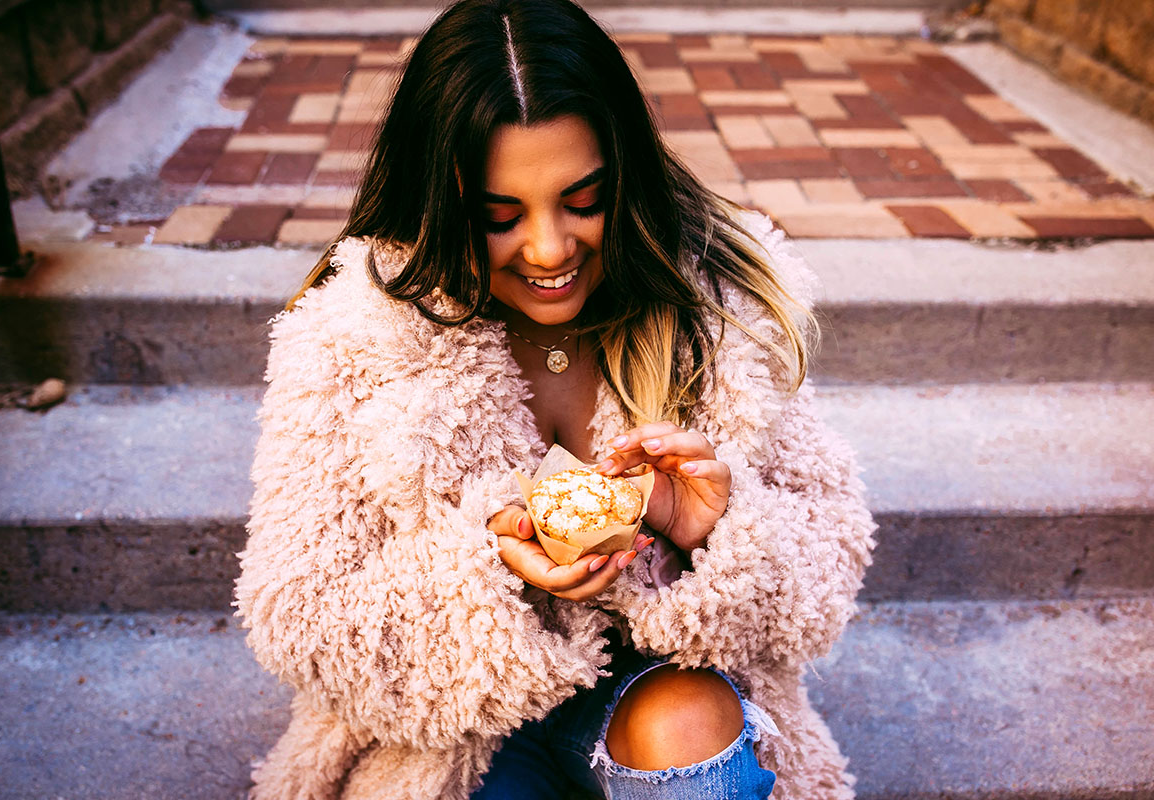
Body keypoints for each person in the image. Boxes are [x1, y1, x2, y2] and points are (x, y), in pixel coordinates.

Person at [234, 0, 875, 797]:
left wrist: (709, 530)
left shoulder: (714, 308)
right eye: (498, 217)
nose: (548, 250)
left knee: (688, 730)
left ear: (627, 177)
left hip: (671, 697)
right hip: (460, 732)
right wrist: (495, 568)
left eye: (583, 201)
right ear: (441, 204)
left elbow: (830, 557)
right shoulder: (354, 334)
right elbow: (299, 615)